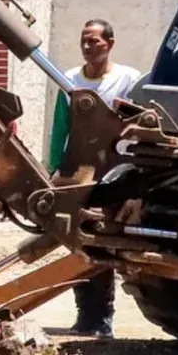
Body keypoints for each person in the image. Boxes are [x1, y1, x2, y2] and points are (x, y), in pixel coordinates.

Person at [48, 19, 141, 337]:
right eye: (84, 41)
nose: (88, 47)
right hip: (79, 172)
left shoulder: (128, 80)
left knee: (106, 243)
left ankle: (103, 320)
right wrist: (53, 169)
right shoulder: (70, 80)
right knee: (78, 245)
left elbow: (139, 122)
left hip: (115, 173)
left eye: (95, 41)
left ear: (110, 43)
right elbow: (61, 126)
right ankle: (86, 317)